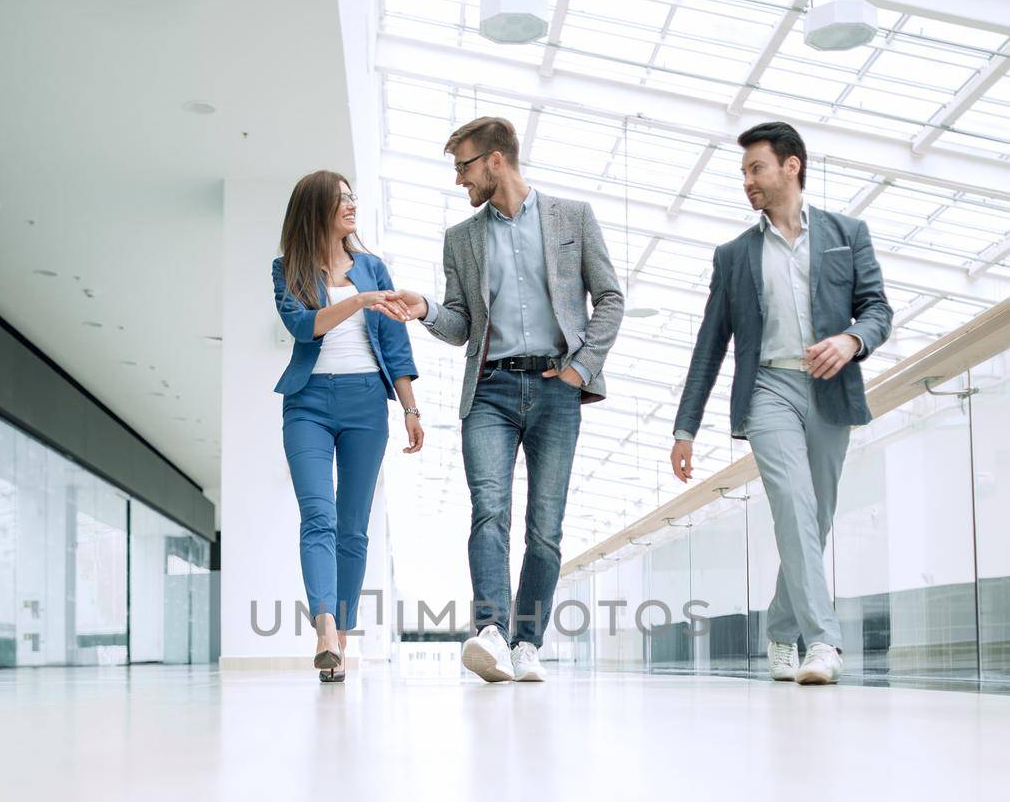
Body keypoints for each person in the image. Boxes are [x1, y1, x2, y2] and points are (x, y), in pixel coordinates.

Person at [388, 116, 623, 683]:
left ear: (496, 160)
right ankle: (490, 632)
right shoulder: (462, 239)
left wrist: (580, 369)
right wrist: (425, 310)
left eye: (464, 166)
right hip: (489, 390)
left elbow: (610, 299)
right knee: (489, 511)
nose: (459, 180)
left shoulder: (573, 218)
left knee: (545, 526)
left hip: (556, 389)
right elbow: (462, 325)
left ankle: (527, 643)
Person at [670, 121, 892, 686]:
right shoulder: (735, 255)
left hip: (830, 389)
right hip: (768, 390)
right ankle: (824, 642)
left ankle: (779, 629)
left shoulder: (847, 233)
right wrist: (685, 428)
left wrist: (851, 339)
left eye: (756, 168)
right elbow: (709, 345)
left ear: (791, 166)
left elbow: (878, 311)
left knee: (815, 520)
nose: (747, 181)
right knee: (793, 506)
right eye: (744, 172)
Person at [272, 171, 423, 681]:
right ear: (316, 208)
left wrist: (409, 408)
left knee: (353, 527)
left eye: (352, 197)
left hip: (365, 403)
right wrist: (358, 299)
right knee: (319, 515)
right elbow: (301, 325)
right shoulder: (288, 269)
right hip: (308, 401)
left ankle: (340, 638)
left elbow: (396, 345)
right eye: (341, 199)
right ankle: (324, 628)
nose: (352, 205)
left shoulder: (373, 266)